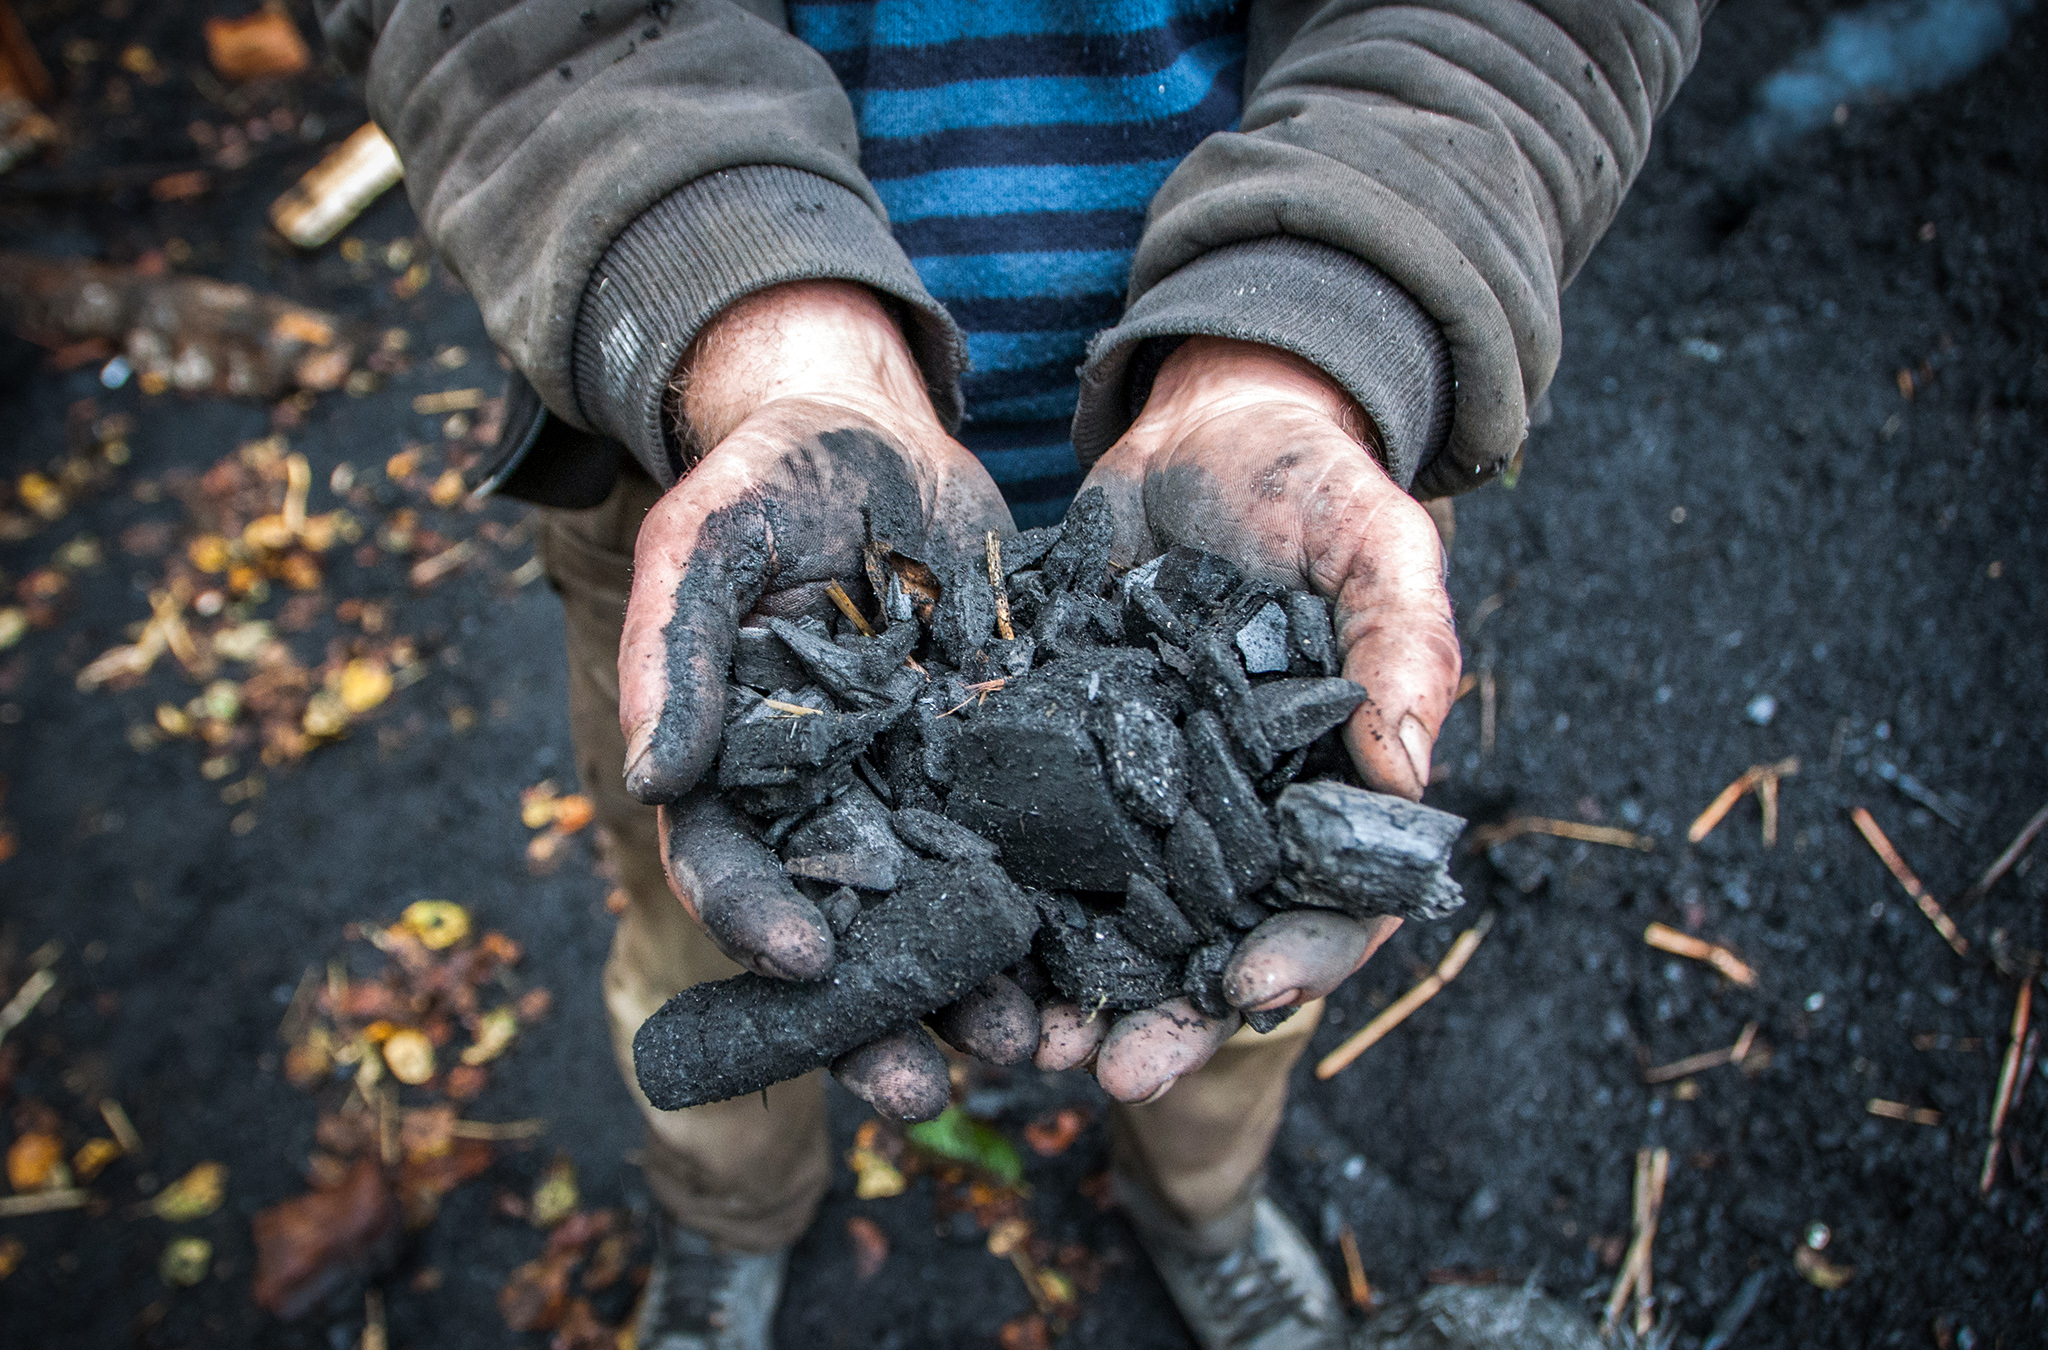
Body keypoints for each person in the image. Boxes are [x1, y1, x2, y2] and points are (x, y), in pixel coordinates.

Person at [314, 2, 1710, 1346]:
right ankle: (728, 1216)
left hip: (1274, 463)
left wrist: (1325, 314)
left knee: (1241, 974)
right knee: (717, 913)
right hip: (727, 477)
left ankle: (1202, 1205)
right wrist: (745, 307)